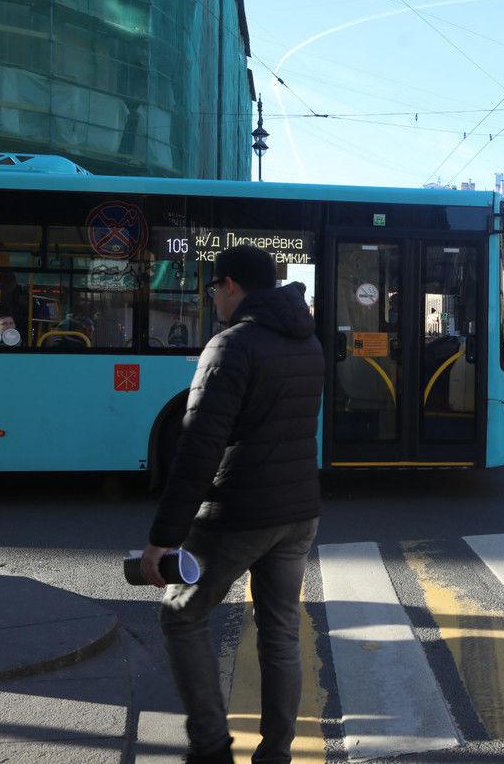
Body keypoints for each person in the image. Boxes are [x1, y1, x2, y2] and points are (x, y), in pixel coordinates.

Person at [139, 245, 324, 764]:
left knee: (182, 615)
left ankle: (211, 748)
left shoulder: (231, 346)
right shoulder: (307, 343)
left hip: (239, 514)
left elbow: (198, 449)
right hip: (299, 512)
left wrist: (163, 539)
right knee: (281, 632)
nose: (212, 298)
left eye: (212, 288)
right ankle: (275, 755)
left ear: (231, 286)